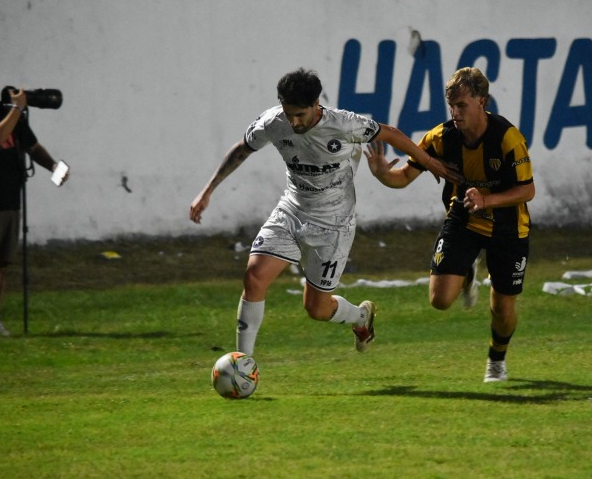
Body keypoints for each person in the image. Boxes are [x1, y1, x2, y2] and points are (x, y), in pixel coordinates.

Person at [189, 68, 460, 356]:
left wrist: (429, 162)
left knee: (317, 309)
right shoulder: (272, 122)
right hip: (291, 211)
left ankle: (360, 317)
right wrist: (207, 191)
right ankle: (243, 362)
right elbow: (242, 149)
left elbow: (390, 134)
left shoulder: (343, 124)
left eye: (300, 115)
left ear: (316, 104)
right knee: (254, 277)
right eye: (288, 112)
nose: (293, 121)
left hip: (333, 225)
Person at [365, 67, 535, 383]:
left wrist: (487, 200)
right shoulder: (440, 138)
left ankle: (496, 360)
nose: (455, 112)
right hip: (463, 220)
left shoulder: (507, 138)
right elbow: (402, 177)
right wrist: (380, 174)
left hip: (508, 229)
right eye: (451, 105)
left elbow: (528, 191)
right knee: (440, 300)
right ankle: (468, 269)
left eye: (462, 105)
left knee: (503, 310)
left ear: (482, 101)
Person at [0, 69, 68, 339]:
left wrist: (53, 166)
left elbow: (32, 146)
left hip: (10, 199)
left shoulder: (11, 113)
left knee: (0, 264)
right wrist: (16, 110)